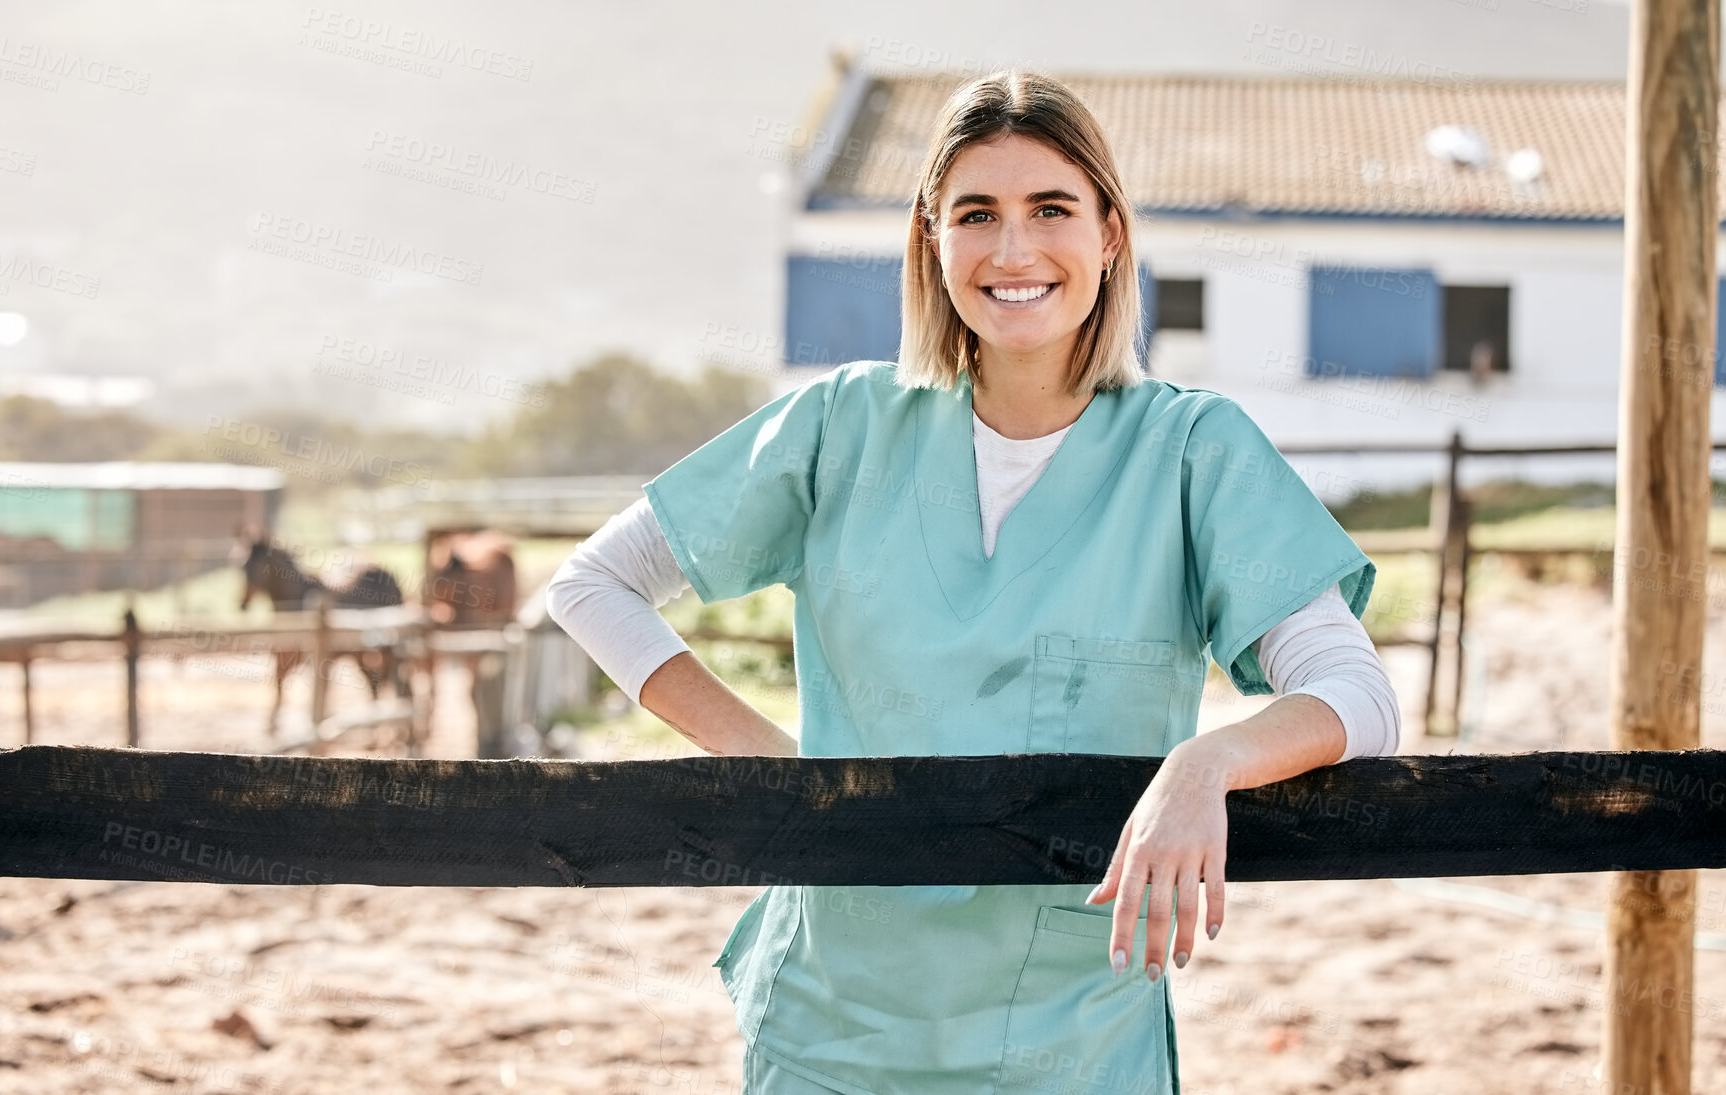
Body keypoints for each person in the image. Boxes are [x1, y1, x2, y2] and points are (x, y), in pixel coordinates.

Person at [548, 69, 1400, 1095]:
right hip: (834, 1027)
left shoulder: (1193, 453)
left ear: (1110, 234)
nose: (1013, 250)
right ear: (931, 240)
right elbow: (594, 585)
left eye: (1051, 209)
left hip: (1077, 1041)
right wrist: (783, 769)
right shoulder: (838, 429)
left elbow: (1355, 698)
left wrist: (1204, 765)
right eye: (976, 215)